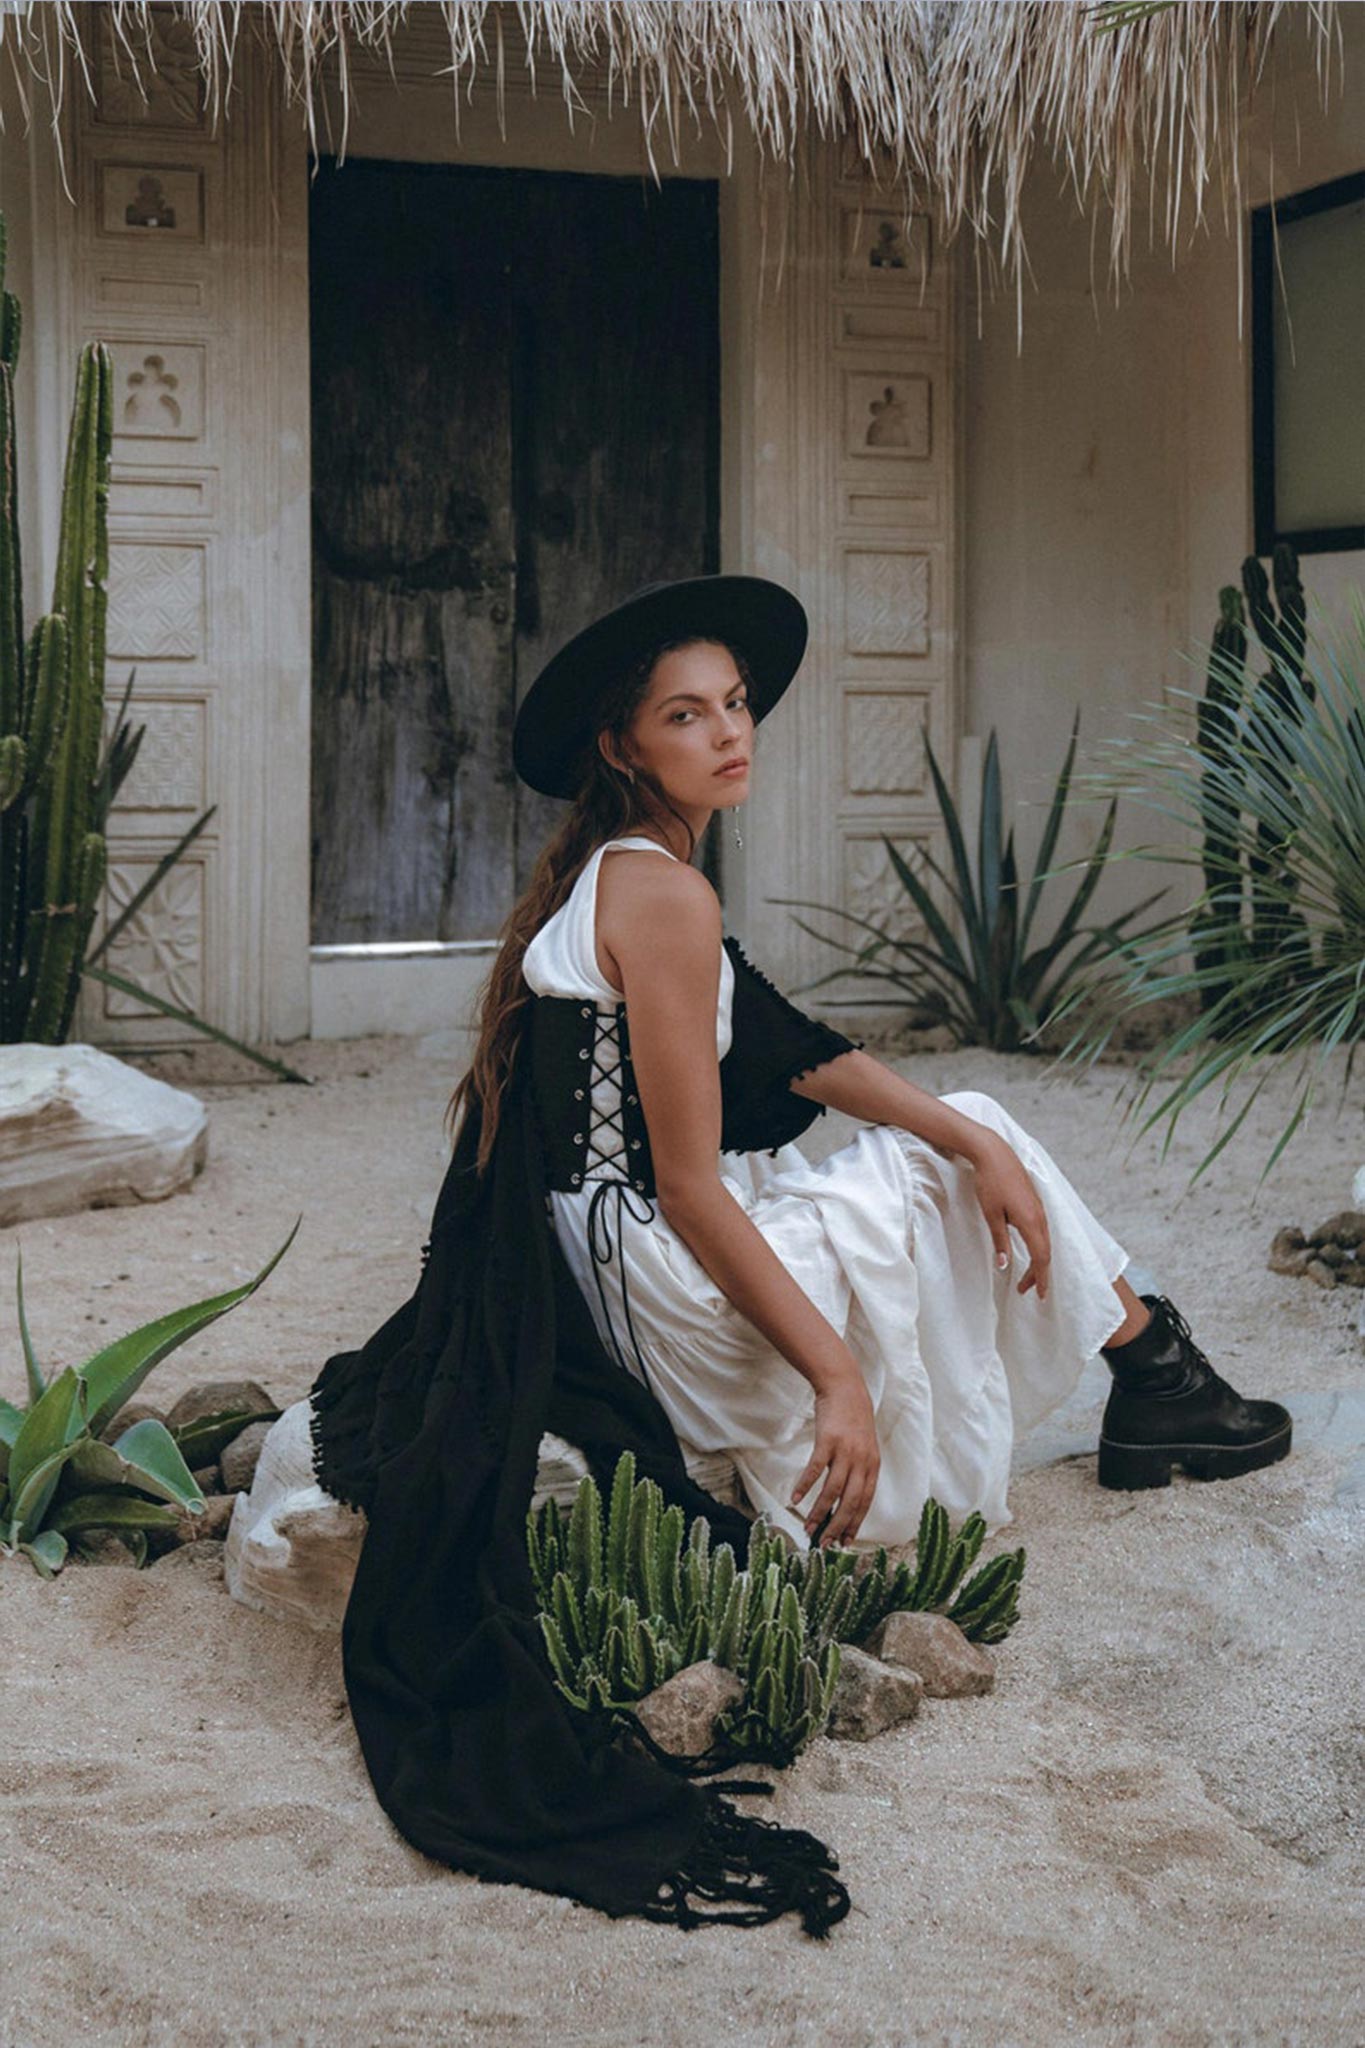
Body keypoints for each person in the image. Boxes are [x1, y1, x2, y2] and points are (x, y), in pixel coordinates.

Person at [304, 573, 1290, 1938]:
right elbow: (700, 1191)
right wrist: (833, 1378)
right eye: (686, 714)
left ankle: (1150, 1363)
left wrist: (955, 1133)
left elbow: (781, 1041)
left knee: (970, 1132)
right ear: (620, 744)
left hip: (611, 1257)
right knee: (976, 1133)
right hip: (665, 1285)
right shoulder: (658, 898)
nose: (729, 734)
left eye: (738, 705)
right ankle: (1153, 1366)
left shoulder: (630, 874)